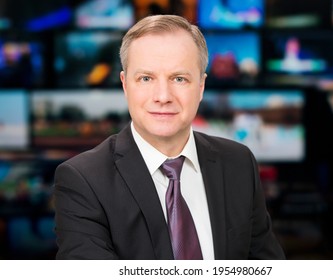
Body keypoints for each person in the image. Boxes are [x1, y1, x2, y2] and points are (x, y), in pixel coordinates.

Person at [53, 14, 285, 260]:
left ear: (201, 87)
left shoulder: (239, 162)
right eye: (146, 78)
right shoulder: (82, 180)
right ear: (124, 84)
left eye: (179, 78)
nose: (163, 96)